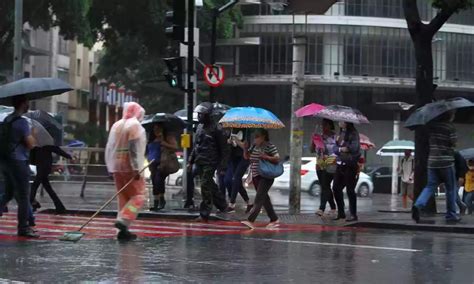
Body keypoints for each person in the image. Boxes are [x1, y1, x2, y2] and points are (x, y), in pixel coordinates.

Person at [105, 102, 147, 241]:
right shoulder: (134, 126)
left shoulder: (117, 125)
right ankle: (124, 220)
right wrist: (136, 167)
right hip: (129, 166)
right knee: (138, 197)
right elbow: (134, 148)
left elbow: (110, 147)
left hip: (116, 165)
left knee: (123, 198)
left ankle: (121, 231)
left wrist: (110, 167)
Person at [0, 95, 38, 237]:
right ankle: (23, 227)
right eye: (27, 102)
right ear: (22, 104)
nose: (28, 104)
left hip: (5, 161)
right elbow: (31, 144)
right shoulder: (22, 123)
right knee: (23, 196)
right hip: (18, 161)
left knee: (9, 193)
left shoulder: (6, 120)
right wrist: (33, 134)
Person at [412, 111, 460, 223]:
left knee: (430, 186)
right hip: (446, 162)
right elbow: (453, 142)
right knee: (451, 188)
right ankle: (451, 214)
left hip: (432, 162)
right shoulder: (450, 127)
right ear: (449, 116)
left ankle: (418, 205)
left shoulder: (432, 127)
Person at [188, 102, 229, 220]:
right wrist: (190, 161)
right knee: (210, 184)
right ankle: (222, 204)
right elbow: (196, 146)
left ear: (208, 115)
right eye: (198, 114)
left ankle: (205, 212)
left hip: (211, 162)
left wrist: (223, 166)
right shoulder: (200, 127)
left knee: (205, 185)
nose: (199, 117)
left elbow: (225, 149)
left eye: (201, 114)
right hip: (200, 160)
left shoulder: (217, 129)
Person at [241, 129, 280, 229]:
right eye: (255, 136)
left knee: (259, 198)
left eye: (257, 136)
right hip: (256, 176)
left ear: (263, 136)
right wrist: (245, 149)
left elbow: (277, 158)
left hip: (266, 176)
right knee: (264, 198)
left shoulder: (269, 146)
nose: (255, 138)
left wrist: (266, 157)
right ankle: (274, 219)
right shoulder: (254, 146)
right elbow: (247, 157)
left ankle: (250, 220)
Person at [332, 121, 361, 222]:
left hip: (350, 164)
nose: (340, 123)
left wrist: (345, 147)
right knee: (335, 188)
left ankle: (353, 214)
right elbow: (334, 149)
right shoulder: (340, 133)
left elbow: (354, 148)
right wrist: (341, 149)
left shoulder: (353, 133)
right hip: (340, 164)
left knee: (350, 190)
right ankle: (341, 212)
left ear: (347, 123)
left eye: (342, 121)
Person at [30, 145, 72, 214]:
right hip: (43, 166)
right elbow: (56, 149)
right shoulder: (41, 143)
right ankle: (59, 207)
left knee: (35, 185)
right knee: (47, 188)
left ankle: (31, 202)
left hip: (43, 167)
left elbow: (56, 149)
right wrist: (68, 156)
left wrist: (68, 156)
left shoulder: (42, 143)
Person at [147, 124, 178, 211]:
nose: (156, 130)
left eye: (158, 128)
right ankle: (156, 202)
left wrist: (164, 143)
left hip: (163, 163)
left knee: (158, 179)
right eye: (154, 128)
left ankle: (161, 200)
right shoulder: (151, 139)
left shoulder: (167, 137)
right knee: (154, 181)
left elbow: (175, 147)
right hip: (152, 164)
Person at [312, 119, 337, 217]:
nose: (323, 127)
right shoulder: (319, 137)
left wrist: (328, 152)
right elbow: (312, 150)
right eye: (322, 125)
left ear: (330, 126)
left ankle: (321, 208)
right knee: (325, 186)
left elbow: (337, 151)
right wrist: (313, 141)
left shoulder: (335, 138)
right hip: (319, 164)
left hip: (330, 164)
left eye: (325, 125)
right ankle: (333, 207)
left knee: (325, 186)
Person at [226, 129, 253, 213]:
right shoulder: (231, 130)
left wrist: (236, 140)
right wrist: (229, 141)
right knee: (237, 181)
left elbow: (245, 147)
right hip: (234, 158)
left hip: (243, 158)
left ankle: (232, 204)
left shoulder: (246, 131)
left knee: (235, 179)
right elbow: (228, 142)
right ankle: (249, 203)